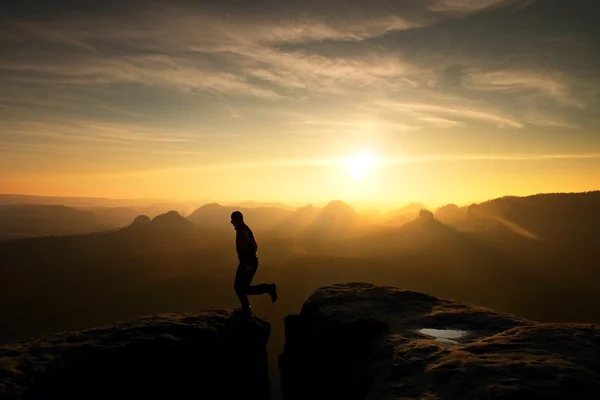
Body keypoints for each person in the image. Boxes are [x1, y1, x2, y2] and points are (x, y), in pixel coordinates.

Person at [231, 210, 277, 316]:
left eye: (232, 220)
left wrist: (249, 263)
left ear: (237, 220)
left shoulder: (243, 231)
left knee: (240, 287)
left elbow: (252, 247)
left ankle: (247, 309)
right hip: (247, 262)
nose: (231, 222)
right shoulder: (242, 230)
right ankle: (247, 308)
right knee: (241, 287)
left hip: (248, 263)